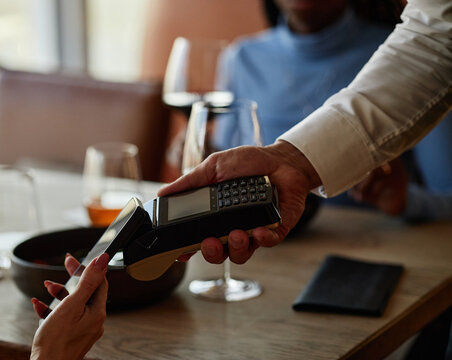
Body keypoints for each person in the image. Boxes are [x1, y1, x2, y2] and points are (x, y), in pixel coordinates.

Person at [30, 0, 451, 357]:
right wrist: (290, 161)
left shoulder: (388, 45)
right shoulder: (244, 57)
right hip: (277, 279)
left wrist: (404, 199)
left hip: (368, 273)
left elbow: (436, 45)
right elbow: (436, 39)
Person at [214, 0, 452, 222]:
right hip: (273, 254)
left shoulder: (411, 56)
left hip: (372, 252)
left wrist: (406, 201)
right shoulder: (241, 59)